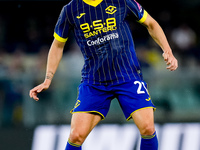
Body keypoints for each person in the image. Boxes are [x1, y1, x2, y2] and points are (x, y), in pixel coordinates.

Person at [29, 0, 178, 150]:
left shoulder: (122, 1)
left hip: (127, 76)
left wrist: (168, 50)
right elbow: (58, 45)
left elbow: (151, 23)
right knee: (76, 136)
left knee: (148, 128)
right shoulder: (70, 10)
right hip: (94, 81)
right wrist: (48, 79)